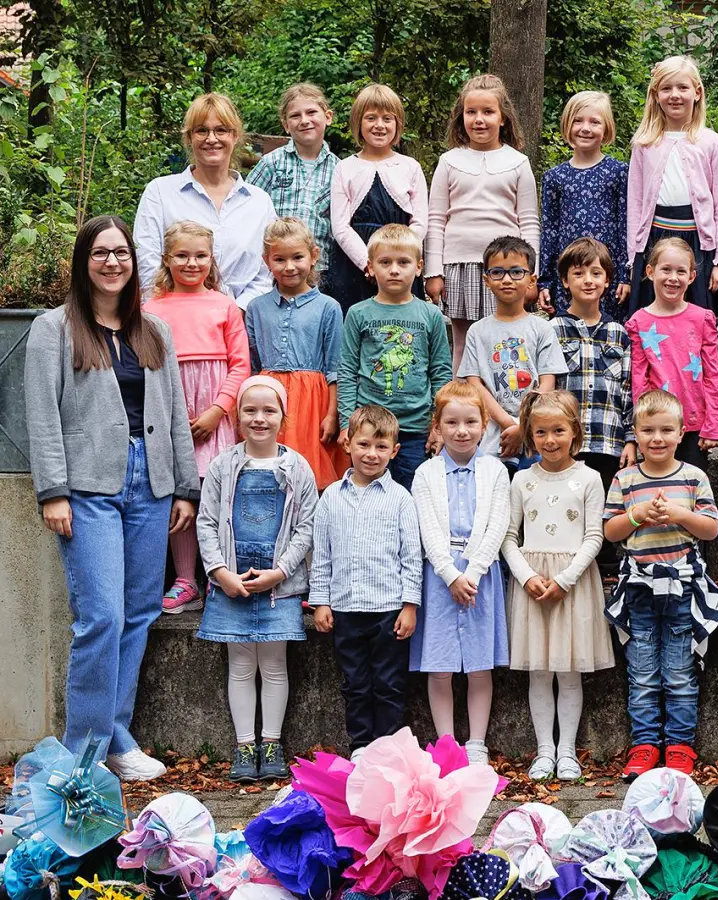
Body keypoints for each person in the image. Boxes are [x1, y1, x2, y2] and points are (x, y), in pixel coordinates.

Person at [26, 215, 199, 781]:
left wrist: (182, 486)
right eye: (100, 253)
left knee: (140, 612)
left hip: (149, 483)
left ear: (133, 261)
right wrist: (53, 491)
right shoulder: (54, 328)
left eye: (121, 252)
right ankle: (83, 754)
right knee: (101, 615)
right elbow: (42, 415)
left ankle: (118, 738)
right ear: (84, 262)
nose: (112, 263)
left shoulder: (154, 332)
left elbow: (173, 412)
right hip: (87, 487)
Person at [194, 375, 318, 783]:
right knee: (241, 665)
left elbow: (306, 526)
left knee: (275, 666)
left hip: (277, 587)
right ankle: (244, 744)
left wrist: (281, 572)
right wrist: (220, 572)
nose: (259, 418)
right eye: (250, 410)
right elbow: (208, 522)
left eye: (269, 411)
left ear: (283, 417)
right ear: (236, 415)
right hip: (232, 581)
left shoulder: (296, 466)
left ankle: (272, 742)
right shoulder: (222, 466)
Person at [603, 390, 718, 778]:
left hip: (682, 585)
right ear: (636, 435)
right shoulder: (625, 478)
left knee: (678, 671)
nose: (657, 438)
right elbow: (610, 531)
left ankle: (679, 745)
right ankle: (644, 745)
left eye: (665, 430)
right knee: (641, 671)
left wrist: (677, 513)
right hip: (639, 586)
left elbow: (710, 529)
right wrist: (637, 514)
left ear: (680, 433)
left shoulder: (694, 477)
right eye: (648, 430)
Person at [503, 390, 612, 781]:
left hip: (573, 585)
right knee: (539, 673)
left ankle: (567, 750)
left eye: (559, 431)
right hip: (532, 584)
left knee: (569, 672)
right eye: (541, 432)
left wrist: (565, 579)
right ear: (530, 435)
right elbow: (508, 537)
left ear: (575, 433)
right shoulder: (521, 479)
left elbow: (594, 537)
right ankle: (543, 751)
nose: (550, 440)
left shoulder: (589, 478)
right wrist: (528, 576)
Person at [144, 221, 251, 615]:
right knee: (180, 495)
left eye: (200, 255)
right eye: (182, 255)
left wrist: (217, 410)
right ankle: (186, 580)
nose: (192, 263)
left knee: (218, 495)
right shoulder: (150, 308)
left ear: (211, 259)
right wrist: (173, 416)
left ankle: (219, 576)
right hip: (173, 414)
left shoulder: (224, 305)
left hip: (216, 415)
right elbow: (147, 367)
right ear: (166, 259)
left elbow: (241, 365)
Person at [309, 404, 422, 759]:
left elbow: (411, 556)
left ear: (394, 451)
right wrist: (321, 600)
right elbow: (321, 553)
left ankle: (388, 749)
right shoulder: (331, 498)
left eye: (380, 446)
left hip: (388, 610)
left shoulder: (401, 499)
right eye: (364, 445)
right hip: (345, 609)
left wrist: (409, 605)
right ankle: (360, 746)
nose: (371, 454)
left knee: (389, 684)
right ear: (347, 444)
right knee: (355, 684)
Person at [409, 381, 512, 767]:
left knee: (479, 666)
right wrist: (450, 574)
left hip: (482, 575)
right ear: (437, 426)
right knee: (440, 667)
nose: (462, 430)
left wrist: (475, 569)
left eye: (471, 421)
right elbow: (428, 528)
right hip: (440, 576)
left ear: (485, 423)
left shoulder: (495, 471)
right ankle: (447, 744)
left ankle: (477, 743)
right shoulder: (425, 474)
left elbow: (498, 523)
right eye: (451, 422)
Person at [426, 74, 542, 366]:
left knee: (503, 340)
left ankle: (502, 405)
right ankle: (462, 407)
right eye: (471, 112)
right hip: (458, 265)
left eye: (488, 112)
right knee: (463, 344)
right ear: (461, 117)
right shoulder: (449, 161)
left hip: (505, 269)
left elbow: (528, 221)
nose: (479, 119)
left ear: (503, 118)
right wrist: (433, 272)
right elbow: (436, 220)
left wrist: (530, 273)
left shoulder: (517, 162)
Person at [337, 224, 453, 489]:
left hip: (416, 429)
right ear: (370, 267)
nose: (394, 269)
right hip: (368, 428)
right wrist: (347, 424)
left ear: (419, 266)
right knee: (366, 495)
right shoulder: (358, 313)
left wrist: (438, 424)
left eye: (403, 262)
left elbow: (441, 373)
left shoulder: (430, 315)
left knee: (415, 498)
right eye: (385, 262)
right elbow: (346, 371)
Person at [134, 93, 275, 304]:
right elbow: (147, 264)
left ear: (235, 136)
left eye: (221, 130)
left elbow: (265, 274)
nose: (211, 139)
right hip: (174, 321)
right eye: (201, 130)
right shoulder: (160, 193)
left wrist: (234, 313)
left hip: (240, 325)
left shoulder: (259, 203)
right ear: (189, 137)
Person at [626, 56, 718, 314]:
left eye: (682, 88)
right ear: (656, 95)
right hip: (654, 239)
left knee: (697, 316)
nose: (674, 95)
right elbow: (635, 203)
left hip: (698, 244)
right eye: (666, 88)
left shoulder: (710, 141)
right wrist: (634, 257)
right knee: (654, 316)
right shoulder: (644, 143)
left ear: (697, 93)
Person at [245, 217, 346, 490]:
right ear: (267, 261)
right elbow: (252, 366)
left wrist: (332, 414)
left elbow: (335, 366)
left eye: (297, 257)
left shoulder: (328, 307)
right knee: (269, 472)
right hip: (270, 399)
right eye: (279, 259)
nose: (289, 267)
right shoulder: (256, 308)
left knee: (310, 475)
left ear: (314, 256)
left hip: (313, 403)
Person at [552, 238, 637, 556]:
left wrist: (631, 439)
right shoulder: (553, 329)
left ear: (607, 280)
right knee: (567, 517)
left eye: (596, 273)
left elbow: (628, 389)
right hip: (566, 444)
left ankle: (605, 582)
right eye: (579, 273)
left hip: (608, 442)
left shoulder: (619, 333)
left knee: (602, 518)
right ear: (565, 280)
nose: (588, 280)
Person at [458, 235, 562, 465]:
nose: (507, 279)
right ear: (486, 279)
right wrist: (509, 424)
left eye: (516, 272)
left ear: (532, 280)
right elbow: (475, 385)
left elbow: (547, 385)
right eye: (497, 272)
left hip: (536, 434)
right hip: (491, 437)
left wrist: (523, 427)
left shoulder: (542, 328)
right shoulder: (477, 331)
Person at [327, 83, 429, 309]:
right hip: (354, 266)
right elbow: (340, 226)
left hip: (400, 264)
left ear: (398, 124)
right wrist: (368, 263)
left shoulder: (410, 167)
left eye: (387, 119)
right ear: (358, 123)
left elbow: (420, 222)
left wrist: (399, 258)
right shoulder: (345, 168)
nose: (379, 125)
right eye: (371, 118)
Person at [626, 238, 718, 468]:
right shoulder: (638, 322)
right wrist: (642, 425)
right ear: (650, 272)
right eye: (666, 270)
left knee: (690, 490)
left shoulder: (702, 319)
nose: (673, 278)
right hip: (656, 426)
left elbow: (713, 375)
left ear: (691, 277)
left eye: (681, 271)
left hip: (694, 423)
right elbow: (638, 380)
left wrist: (713, 424)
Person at [538, 92, 631, 319]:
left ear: (606, 128)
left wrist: (624, 277)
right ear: (567, 125)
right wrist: (545, 281)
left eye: (594, 122)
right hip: (569, 274)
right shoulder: (555, 177)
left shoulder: (619, 172)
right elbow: (549, 231)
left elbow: (625, 226)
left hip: (606, 274)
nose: (585, 128)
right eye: (578, 121)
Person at [246, 84, 338, 274]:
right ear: (286, 125)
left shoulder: (339, 170)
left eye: (311, 112)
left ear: (328, 117)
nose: (304, 121)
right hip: (274, 269)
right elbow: (246, 207)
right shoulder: (271, 163)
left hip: (319, 270)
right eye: (295, 116)